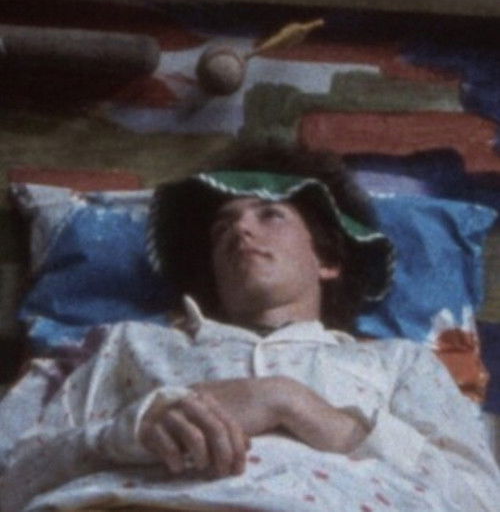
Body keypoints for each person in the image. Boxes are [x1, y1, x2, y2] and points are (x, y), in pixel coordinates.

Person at [1, 141, 499, 512]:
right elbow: (12, 480)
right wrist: (128, 432)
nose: (240, 229)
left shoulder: (399, 363)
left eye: (270, 215)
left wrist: (294, 404)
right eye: (222, 227)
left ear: (328, 260)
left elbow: (478, 499)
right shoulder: (128, 344)